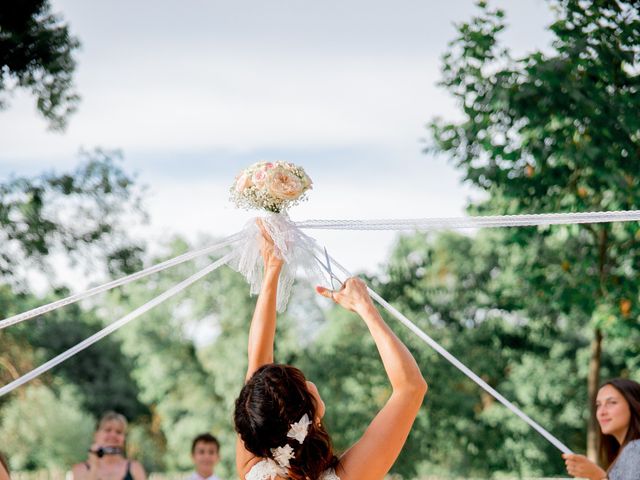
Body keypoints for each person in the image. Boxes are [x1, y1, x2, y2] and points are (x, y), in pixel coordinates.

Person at [233, 221, 428, 480]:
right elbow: (411, 387)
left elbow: (258, 368)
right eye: (304, 383)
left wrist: (272, 267)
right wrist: (365, 309)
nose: (310, 381)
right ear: (308, 416)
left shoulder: (254, 463)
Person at [563, 378, 640, 480]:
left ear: (634, 405)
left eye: (612, 402)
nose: (601, 412)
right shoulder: (623, 453)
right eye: (598, 405)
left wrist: (598, 476)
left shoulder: (635, 449)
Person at [72, 411, 147, 480]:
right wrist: (94, 466)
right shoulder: (80, 469)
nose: (113, 435)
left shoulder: (135, 468)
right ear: (96, 435)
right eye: (107, 430)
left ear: (124, 438)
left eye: (119, 432)